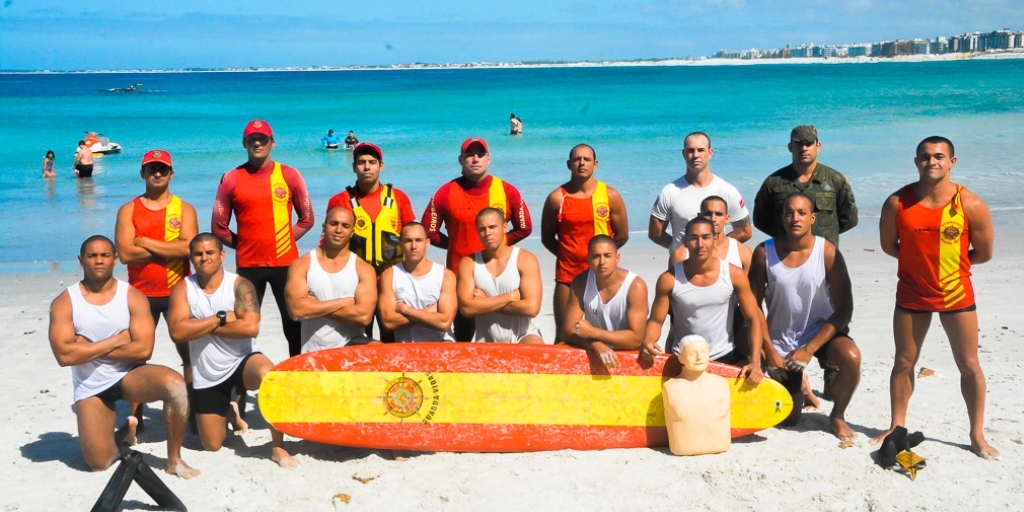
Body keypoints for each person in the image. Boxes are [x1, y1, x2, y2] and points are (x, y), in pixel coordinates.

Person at [872, 136, 998, 459]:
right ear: (916, 162)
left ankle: (977, 435)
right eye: (925, 157)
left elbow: (983, 253)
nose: (932, 162)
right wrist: (918, 265)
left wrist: (950, 266)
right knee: (903, 362)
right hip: (911, 294)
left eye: (939, 156)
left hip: (956, 295)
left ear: (952, 162)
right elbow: (889, 246)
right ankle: (896, 425)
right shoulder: (897, 203)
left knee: (969, 365)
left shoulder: (969, 205)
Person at [48, 235, 198, 478]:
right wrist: (117, 339)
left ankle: (174, 459)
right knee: (99, 463)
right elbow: (64, 356)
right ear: (80, 260)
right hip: (91, 385)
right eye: (92, 255)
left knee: (176, 387)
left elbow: (143, 350)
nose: (99, 260)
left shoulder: (132, 296)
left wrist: (87, 349)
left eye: (105, 255)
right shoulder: (65, 302)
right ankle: (123, 434)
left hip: (130, 375)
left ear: (115, 259)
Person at [167, 233, 298, 468]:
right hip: (207, 372)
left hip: (242, 359)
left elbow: (250, 327)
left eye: (210, 252)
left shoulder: (239, 284)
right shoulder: (183, 289)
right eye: (198, 253)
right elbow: (177, 332)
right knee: (211, 444)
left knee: (269, 376)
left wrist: (198, 324)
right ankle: (229, 409)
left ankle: (278, 446)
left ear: (221, 255)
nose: (204, 257)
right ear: (191, 257)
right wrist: (220, 319)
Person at [748, 193, 861, 441]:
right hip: (779, 340)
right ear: (782, 217)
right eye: (789, 213)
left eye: (801, 213)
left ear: (812, 218)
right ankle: (802, 385)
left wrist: (809, 349)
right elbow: (752, 308)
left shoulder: (827, 252)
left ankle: (838, 416)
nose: (794, 218)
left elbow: (844, 309)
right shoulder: (764, 252)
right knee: (790, 420)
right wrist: (768, 350)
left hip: (818, 333)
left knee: (852, 357)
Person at [212, 120, 315, 357]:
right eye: (251, 139)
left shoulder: (289, 174)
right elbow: (219, 227)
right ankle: (240, 385)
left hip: (287, 265)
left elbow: (307, 218)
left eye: (263, 139)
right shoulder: (231, 178)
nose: (257, 143)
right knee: (245, 326)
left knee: (294, 325)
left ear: (273, 143)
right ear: (244, 143)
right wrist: (247, 244)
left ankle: (296, 378)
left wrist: (285, 240)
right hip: (249, 267)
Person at [115, 149, 199, 431]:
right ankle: (135, 418)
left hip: (179, 292)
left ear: (171, 173)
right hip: (141, 294)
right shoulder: (128, 210)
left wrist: (146, 242)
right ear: (143, 173)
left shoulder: (184, 209)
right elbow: (125, 254)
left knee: (189, 355)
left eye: (163, 169)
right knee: (138, 355)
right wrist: (168, 249)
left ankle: (194, 410)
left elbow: (189, 249)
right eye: (152, 169)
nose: (158, 173)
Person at [423, 137, 533, 340]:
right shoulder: (445, 193)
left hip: (498, 277)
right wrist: (455, 243)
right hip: (460, 277)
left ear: (489, 159)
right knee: (464, 338)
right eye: (469, 155)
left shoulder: (507, 191)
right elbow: (428, 232)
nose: (475, 159)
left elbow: (525, 227)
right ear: (460, 160)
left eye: (480, 155)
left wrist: (498, 247)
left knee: (500, 335)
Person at [640, 217, 764, 385]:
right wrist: (648, 341)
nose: (700, 243)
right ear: (684, 241)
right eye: (693, 238)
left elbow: (753, 318)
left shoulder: (734, 275)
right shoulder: (669, 279)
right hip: (683, 359)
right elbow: (655, 321)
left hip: (724, 357)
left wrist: (755, 362)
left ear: (714, 240)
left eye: (705, 237)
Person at [325, 142, 416, 342]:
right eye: (362, 162)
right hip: (355, 283)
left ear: (381, 166)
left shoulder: (398, 198)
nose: (367, 167)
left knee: (391, 341)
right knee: (357, 340)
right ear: (354, 167)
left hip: (390, 283)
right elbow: (328, 244)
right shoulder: (340, 200)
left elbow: (413, 241)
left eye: (372, 162)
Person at [542, 144, 629, 343]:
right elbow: (547, 238)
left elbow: (622, 236)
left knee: (606, 333)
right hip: (568, 277)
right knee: (565, 337)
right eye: (576, 159)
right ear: (568, 164)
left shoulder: (610, 196)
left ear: (595, 164)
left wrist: (601, 260)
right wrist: (569, 256)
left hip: (602, 276)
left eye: (587, 159)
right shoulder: (557, 198)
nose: (582, 163)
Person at [284, 207, 378, 352]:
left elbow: (364, 316)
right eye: (334, 223)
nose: (338, 230)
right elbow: (296, 311)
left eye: (345, 226)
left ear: (352, 232)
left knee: (381, 350)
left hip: (352, 349)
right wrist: (344, 302)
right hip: (313, 352)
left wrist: (314, 306)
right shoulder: (302, 264)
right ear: (324, 226)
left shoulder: (363, 268)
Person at [753, 125, 858, 247]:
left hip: (824, 256)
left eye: (808, 144)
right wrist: (785, 236)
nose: (804, 148)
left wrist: (828, 235)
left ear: (818, 146)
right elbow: (761, 220)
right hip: (787, 256)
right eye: (798, 144)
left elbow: (850, 219)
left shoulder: (835, 180)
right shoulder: (774, 183)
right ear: (790, 147)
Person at [649, 132, 751, 252]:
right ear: (684, 154)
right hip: (680, 268)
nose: (696, 155)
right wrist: (680, 251)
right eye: (690, 151)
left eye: (701, 150)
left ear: (710, 153)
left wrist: (714, 250)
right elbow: (655, 233)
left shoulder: (728, 191)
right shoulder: (669, 192)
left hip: (716, 267)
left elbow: (744, 231)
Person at [457, 208, 543, 344]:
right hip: (485, 340)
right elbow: (467, 309)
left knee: (535, 346)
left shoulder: (525, 259)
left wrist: (486, 301)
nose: (488, 233)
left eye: (492, 227)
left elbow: (532, 308)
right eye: (482, 229)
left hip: (524, 336)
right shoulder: (469, 263)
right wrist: (509, 297)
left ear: (504, 227)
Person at [561, 235, 647, 368]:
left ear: (617, 258)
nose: (602, 262)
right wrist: (596, 344)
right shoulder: (581, 283)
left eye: (607, 255)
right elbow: (567, 330)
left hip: (629, 356)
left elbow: (636, 339)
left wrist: (594, 333)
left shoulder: (635, 286)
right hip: (595, 351)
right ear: (588, 259)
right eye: (596, 256)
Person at [378, 222, 457, 342]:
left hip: (441, 348)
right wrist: (431, 311)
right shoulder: (389, 275)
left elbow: (444, 323)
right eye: (408, 240)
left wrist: (406, 310)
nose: (413, 246)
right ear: (400, 243)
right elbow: (388, 322)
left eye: (418, 240)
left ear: (427, 242)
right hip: (406, 352)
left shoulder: (445, 276)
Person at [663, 335, 731, 456]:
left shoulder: (722, 384)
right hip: (683, 448)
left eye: (704, 352)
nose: (699, 357)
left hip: (721, 445)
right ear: (680, 358)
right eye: (692, 353)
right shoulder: (670, 388)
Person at [670, 195, 752, 271]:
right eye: (708, 214)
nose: (713, 219)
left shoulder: (742, 252)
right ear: (699, 216)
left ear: (727, 218)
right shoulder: (680, 254)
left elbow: (749, 286)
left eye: (718, 214)